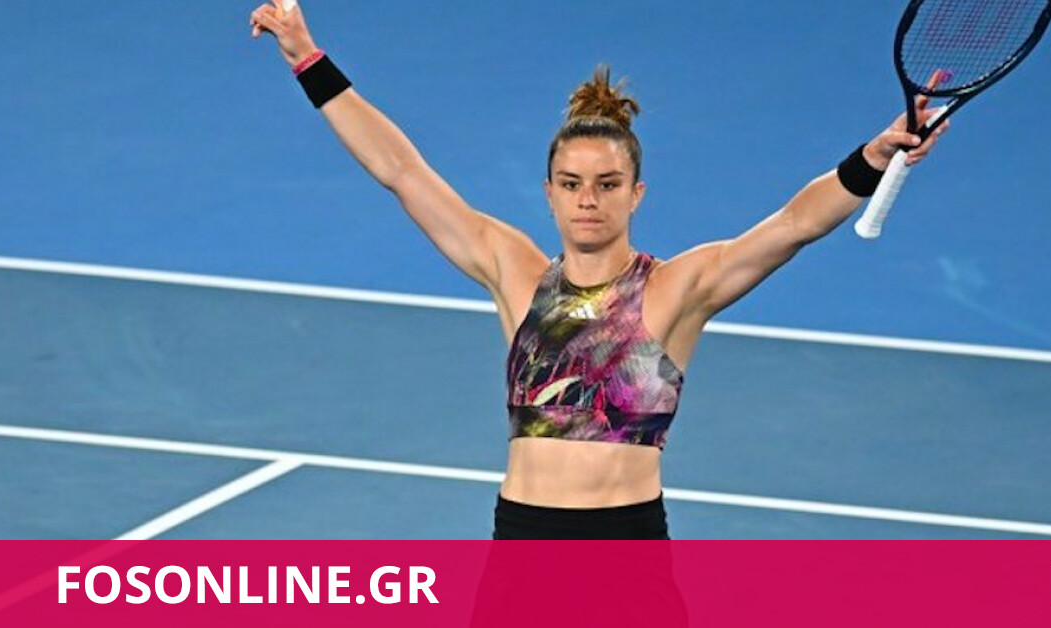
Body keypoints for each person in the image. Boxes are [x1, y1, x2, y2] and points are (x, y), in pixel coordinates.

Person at [249, 1, 946, 540]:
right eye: (572, 184)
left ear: (635, 194)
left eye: (607, 184)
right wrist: (308, 58)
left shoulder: (674, 289)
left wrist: (872, 157)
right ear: (550, 193)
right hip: (522, 539)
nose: (589, 199)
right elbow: (401, 171)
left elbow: (792, 225)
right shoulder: (515, 273)